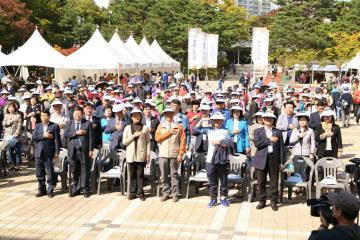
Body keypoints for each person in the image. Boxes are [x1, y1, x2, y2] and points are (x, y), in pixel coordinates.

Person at [253, 112, 284, 211]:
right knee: (261, 182)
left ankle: (273, 202)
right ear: (263, 119)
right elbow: (257, 144)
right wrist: (269, 139)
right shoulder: (258, 131)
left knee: (274, 183)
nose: (268, 120)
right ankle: (262, 201)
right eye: (266, 118)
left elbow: (282, 148)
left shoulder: (278, 132)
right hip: (261, 159)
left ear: (274, 120)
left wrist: (281, 162)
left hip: (274, 159)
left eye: (271, 118)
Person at [155, 107, 186, 202]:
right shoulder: (161, 126)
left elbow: (183, 141)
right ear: (164, 115)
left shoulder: (178, 126)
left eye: (170, 113)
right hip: (163, 154)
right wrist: (169, 132)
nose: (169, 115)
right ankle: (165, 193)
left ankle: (175, 194)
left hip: (174, 154)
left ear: (173, 115)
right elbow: (157, 138)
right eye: (167, 114)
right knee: (163, 176)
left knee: (174, 175)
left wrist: (180, 153)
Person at [64, 106, 93, 198]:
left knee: (85, 169)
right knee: (74, 170)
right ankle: (75, 188)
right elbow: (66, 134)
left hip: (83, 150)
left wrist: (91, 149)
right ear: (73, 114)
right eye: (75, 113)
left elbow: (90, 138)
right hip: (73, 150)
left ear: (82, 114)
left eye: (79, 113)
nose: (77, 115)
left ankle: (85, 188)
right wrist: (76, 133)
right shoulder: (69, 123)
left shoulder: (87, 123)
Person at [206, 112, 233, 207]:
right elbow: (196, 130)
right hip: (210, 158)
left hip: (223, 158)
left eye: (219, 120)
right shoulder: (208, 130)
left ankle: (223, 198)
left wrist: (219, 142)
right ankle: (213, 198)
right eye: (215, 120)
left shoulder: (226, 131)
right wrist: (202, 120)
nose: (217, 121)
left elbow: (230, 143)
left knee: (224, 179)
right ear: (212, 120)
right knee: (212, 180)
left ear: (222, 121)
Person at [123, 109, 150, 201]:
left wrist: (148, 154)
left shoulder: (145, 128)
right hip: (130, 155)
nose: (136, 117)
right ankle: (132, 192)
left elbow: (148, 142)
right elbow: (124, 142)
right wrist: (133, 136)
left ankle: (140, 193)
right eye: (134, 116)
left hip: (141, 154)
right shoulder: (127, 128)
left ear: (141, 117)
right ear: (131, 117)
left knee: (140, 175)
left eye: (138, 115)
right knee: (132, 175)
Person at [32, 110, 61, 198]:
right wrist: (43, 136)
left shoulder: (54, 126)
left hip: (49, 152)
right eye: (42, 116)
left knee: (50, 172)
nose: (44, 117)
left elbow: (57, 140)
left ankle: (50, 190)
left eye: (46, 116)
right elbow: (34, 137)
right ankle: (42, 190)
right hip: (38, 152)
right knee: (39, 172)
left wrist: (56, 152)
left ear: (49, 116)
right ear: (40, 117)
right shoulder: (37, 126)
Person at [289, 112, 315, 183]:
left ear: (307, 121)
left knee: (305, 170)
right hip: (296, 153)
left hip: (306, 153)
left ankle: (305, 186)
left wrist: (312, 153)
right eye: (300, 120)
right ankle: (297, 186)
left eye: (304, 120)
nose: (302, 122)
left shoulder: (310, 130)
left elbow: (312, 143)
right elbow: (291, 141)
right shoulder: (295, 130)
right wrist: (299, 136)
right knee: (296, 170)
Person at [3, 102, 23, 170]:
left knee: (17, 150)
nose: (11, 109)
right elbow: (4, 124)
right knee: (10, 151)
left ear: (15, 108)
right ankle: (11, 164)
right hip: (8, 136)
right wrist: (10, 121)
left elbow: (19, 126)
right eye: (9, 107)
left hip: (16, 136)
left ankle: (18, 164)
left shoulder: (18, 116)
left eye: (12, 107)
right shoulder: (6, 115)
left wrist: (16, 135)